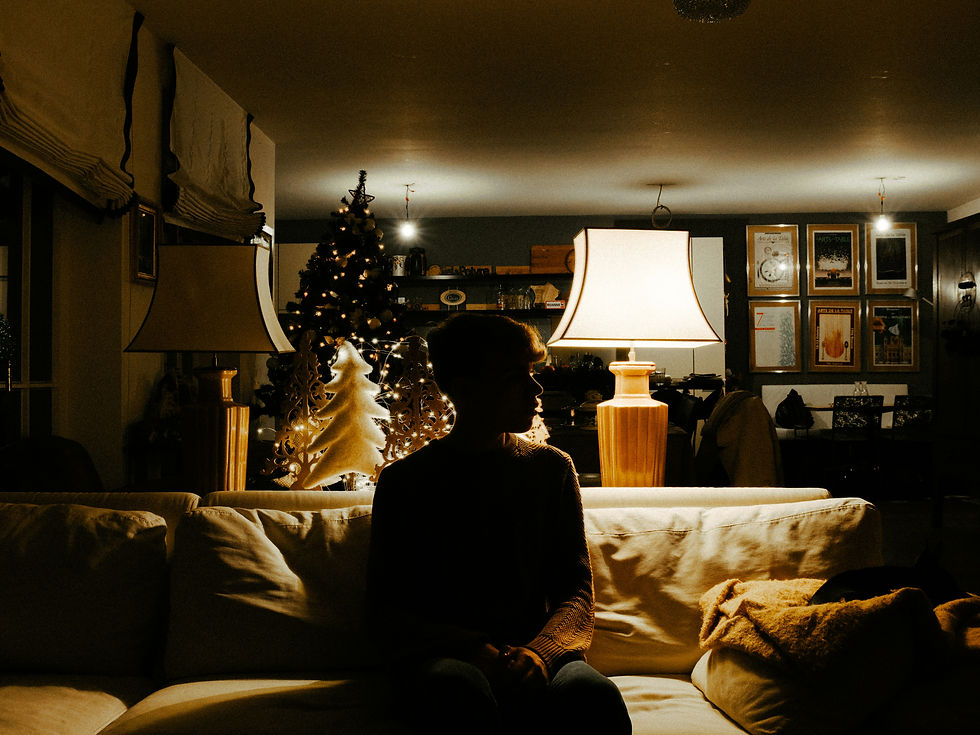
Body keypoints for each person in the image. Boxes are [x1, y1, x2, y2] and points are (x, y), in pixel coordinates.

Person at [367, 313, 631, 735]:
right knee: (455, 690)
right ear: (466, 388)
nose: (537, 388)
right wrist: (476, 650)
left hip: (538, 654)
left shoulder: (551, 468)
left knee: (592, 696)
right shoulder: (406, 481)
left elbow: (576, 588)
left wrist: (541, 653)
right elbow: (387, 607)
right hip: (447, 657)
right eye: (517, 377)